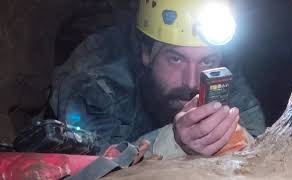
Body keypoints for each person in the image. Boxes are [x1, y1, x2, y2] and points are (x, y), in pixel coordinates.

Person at [49, 0, 266, 158]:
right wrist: (172, 143)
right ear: (146, 53)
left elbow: (261, 144)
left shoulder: (219, 72)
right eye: (175, 59)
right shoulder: (95, 83)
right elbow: (87, 166)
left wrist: (237, 136)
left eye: (206, 61)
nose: (192, 82)